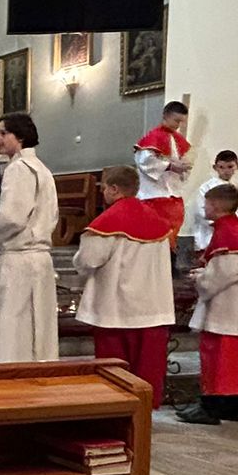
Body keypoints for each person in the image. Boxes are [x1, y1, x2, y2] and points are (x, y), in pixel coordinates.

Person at [72, 164, 176, 406]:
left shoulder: (107, 223)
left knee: (115, 374)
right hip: (152, 310)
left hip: (116, 310)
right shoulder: (158, 222)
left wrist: (78, 261)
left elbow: (89, 260)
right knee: (147, 372)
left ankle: (117, 415)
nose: (103, 192)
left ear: (115, 189)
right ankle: (144, 419)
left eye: (104, 188)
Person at [177, 184, 238, 425]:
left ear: (216, 205)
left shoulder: (227, 232)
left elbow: (225, 272)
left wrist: (200, 279)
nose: (204, 208)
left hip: (228, 309)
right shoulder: (231, 228)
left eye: (207, 203)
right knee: (234, 362)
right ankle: (231, 406)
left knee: (220, 360)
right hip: (237, 307)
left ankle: (211, 408)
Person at [0, 112, 58, 363]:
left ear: (20, 137)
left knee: (12, 332)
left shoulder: (18, 169)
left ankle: (9, 378)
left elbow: (13, 218)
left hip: (19, 261)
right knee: (38, 332)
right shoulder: (41, 168)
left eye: (3, 133)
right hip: (39, 260)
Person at [134, 101, 193, 236]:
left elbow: (182, 162)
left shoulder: (177, 139)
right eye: (176, 120)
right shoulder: (153, 137)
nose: (178, 125)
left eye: (181, 122)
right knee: (154, 233)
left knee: (171, 234)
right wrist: (170, 166)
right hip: (153, 194)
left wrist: (184, 166)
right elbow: (145, 161)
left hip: (173, 194)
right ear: (165, 115)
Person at [192, 150, 238, 251]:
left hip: (233, 232)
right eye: (221, 167)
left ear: (237, 166)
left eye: (230, 167)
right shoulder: (206, 187)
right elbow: (200, 211)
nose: (226, 171)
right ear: (215, 167)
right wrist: (221, 223)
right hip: (209, 234)